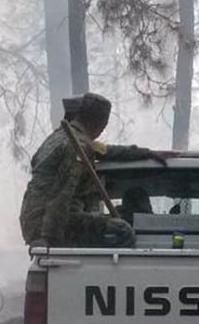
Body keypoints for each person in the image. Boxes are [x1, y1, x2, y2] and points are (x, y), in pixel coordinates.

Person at [19, 93, 162, 248]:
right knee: (122, 230)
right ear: (100, 122)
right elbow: (62, 194)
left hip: (34, 219)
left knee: (110, 221)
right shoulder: (76, 147)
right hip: (45, 225)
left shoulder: (62, 137)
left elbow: (105, 151)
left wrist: (145, 153)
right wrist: (48, 239)